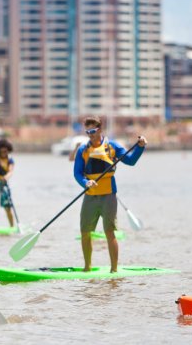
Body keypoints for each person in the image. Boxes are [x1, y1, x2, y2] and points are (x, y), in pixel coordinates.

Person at [73, 116, 147, 273]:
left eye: (93, 131)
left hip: (109, 196)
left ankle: (114, 270)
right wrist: (85, 182)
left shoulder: (112, 146)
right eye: (88, 131)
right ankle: (87, 268)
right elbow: (77, 173)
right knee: (85, 232)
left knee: (109, 232)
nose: (90, 134)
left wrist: (140, 147)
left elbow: (131, 160)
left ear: (99, 129)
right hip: (90, 196)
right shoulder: (83, 150)